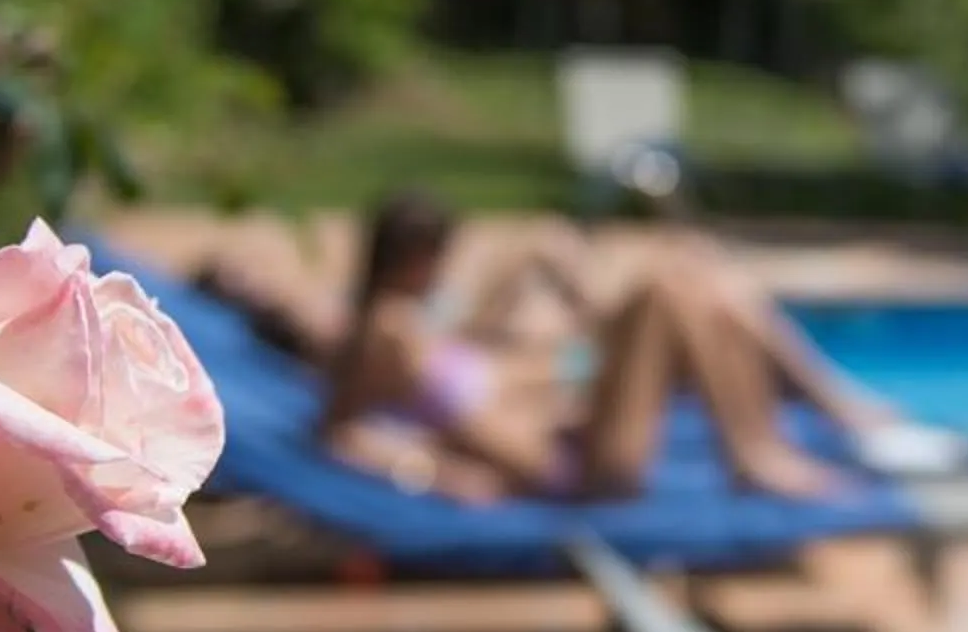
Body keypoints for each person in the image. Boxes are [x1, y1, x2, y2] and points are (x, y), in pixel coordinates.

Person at [316, 193, 845, 502]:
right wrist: (432, 473)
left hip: (571, 437)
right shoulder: (384, 335)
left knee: (687, 276)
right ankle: (756, 453)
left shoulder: (411, 328)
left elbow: (469, 397)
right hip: (574, 472)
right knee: (662, 289)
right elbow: (336, 436)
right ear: (418, 258)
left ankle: (761, 445)